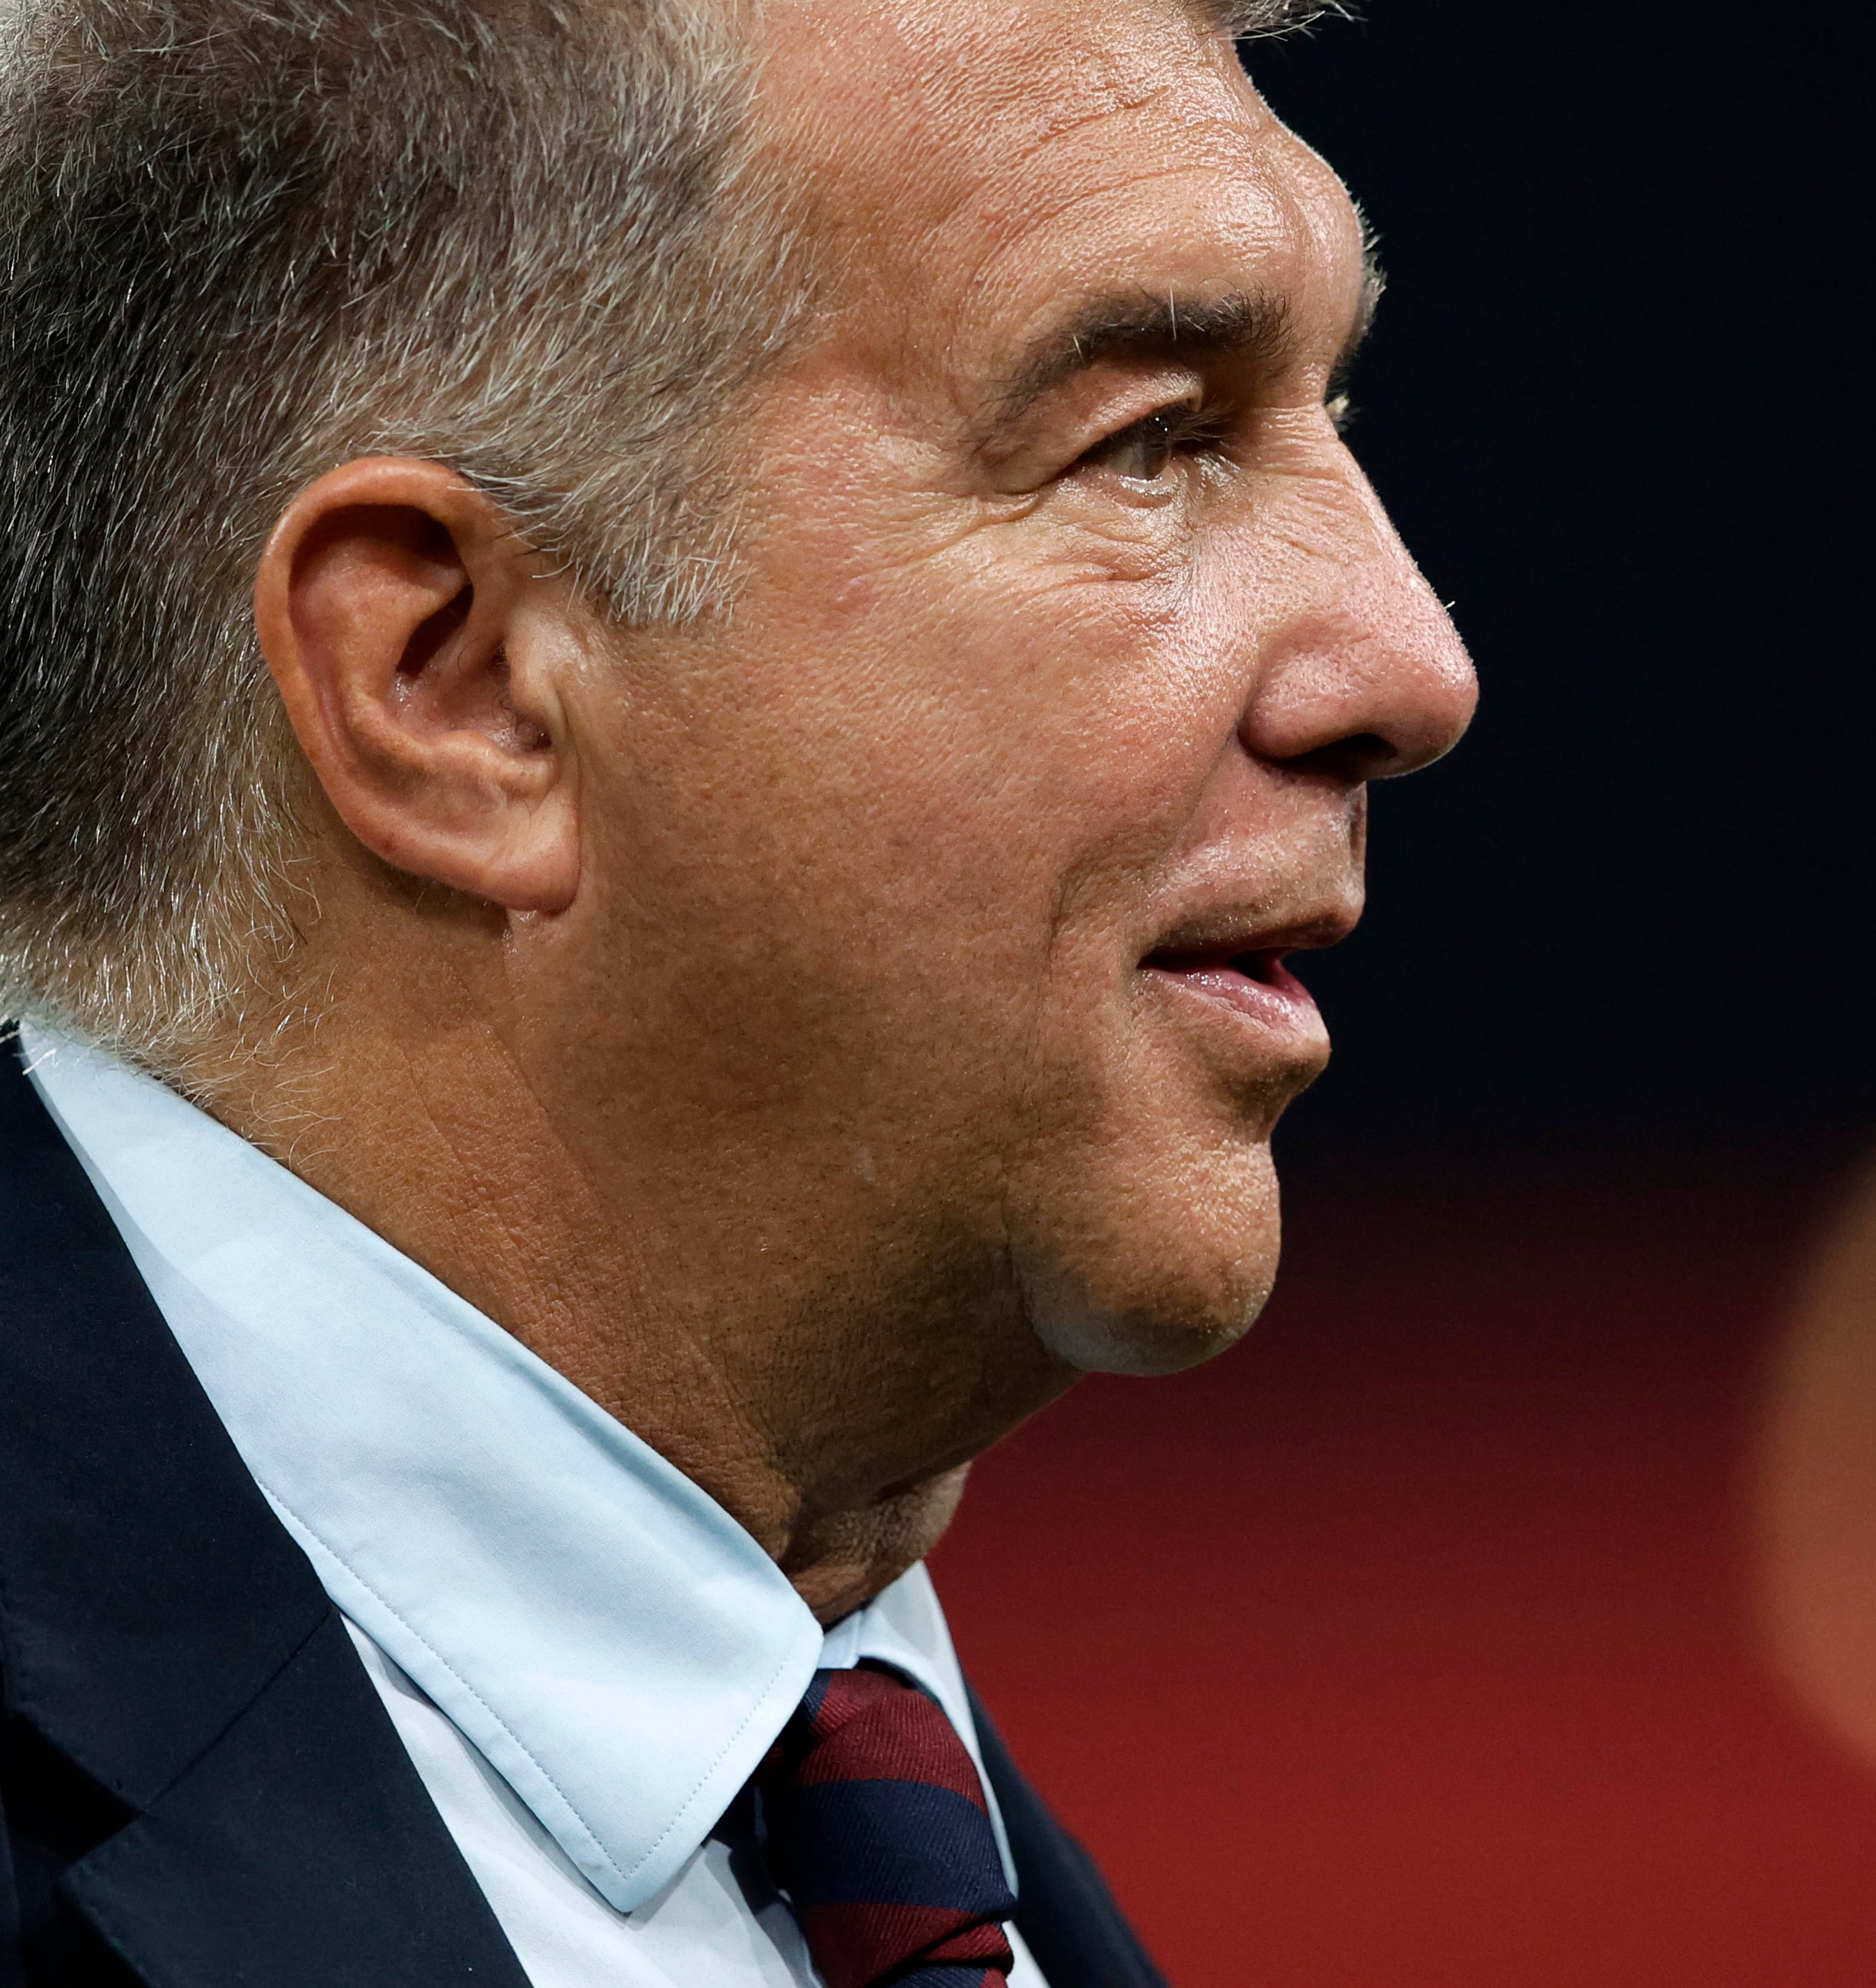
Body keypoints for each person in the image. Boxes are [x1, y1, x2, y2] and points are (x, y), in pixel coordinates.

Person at [0, 0, 1475, 1978]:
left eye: (1332, 423)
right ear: (456, 687)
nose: (1408, 668)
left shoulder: (883, 1827)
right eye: (1150, 445)